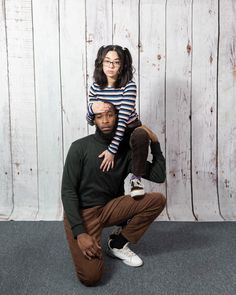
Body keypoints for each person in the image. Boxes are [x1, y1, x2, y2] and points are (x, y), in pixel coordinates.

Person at [61, 102, 166, 286]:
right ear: (93, 120)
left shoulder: (125, 152)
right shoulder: (79, 147)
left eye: (110, 115)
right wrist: (80, 233)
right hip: (82, 215)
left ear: (118, 117)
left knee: (157, 200)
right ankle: (88, 235)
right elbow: (67, 191)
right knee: (91, 278)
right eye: (100, 116)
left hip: (109, 208)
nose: (106, 120)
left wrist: (155, 143)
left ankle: (116, 243)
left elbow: (158, 176)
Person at [86, 44, 146, 197]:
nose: (111, 66)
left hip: (128, 130)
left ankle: (136, 179)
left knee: (141, 134)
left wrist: (112, 150)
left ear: (122, 65)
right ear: (101, 63)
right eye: (107, 61)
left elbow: (123, 121)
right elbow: (91, 120)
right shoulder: (95, 87)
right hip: (109, 131)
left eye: (116, 62)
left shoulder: (129, 86)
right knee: (105, 165)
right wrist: (92, 109)